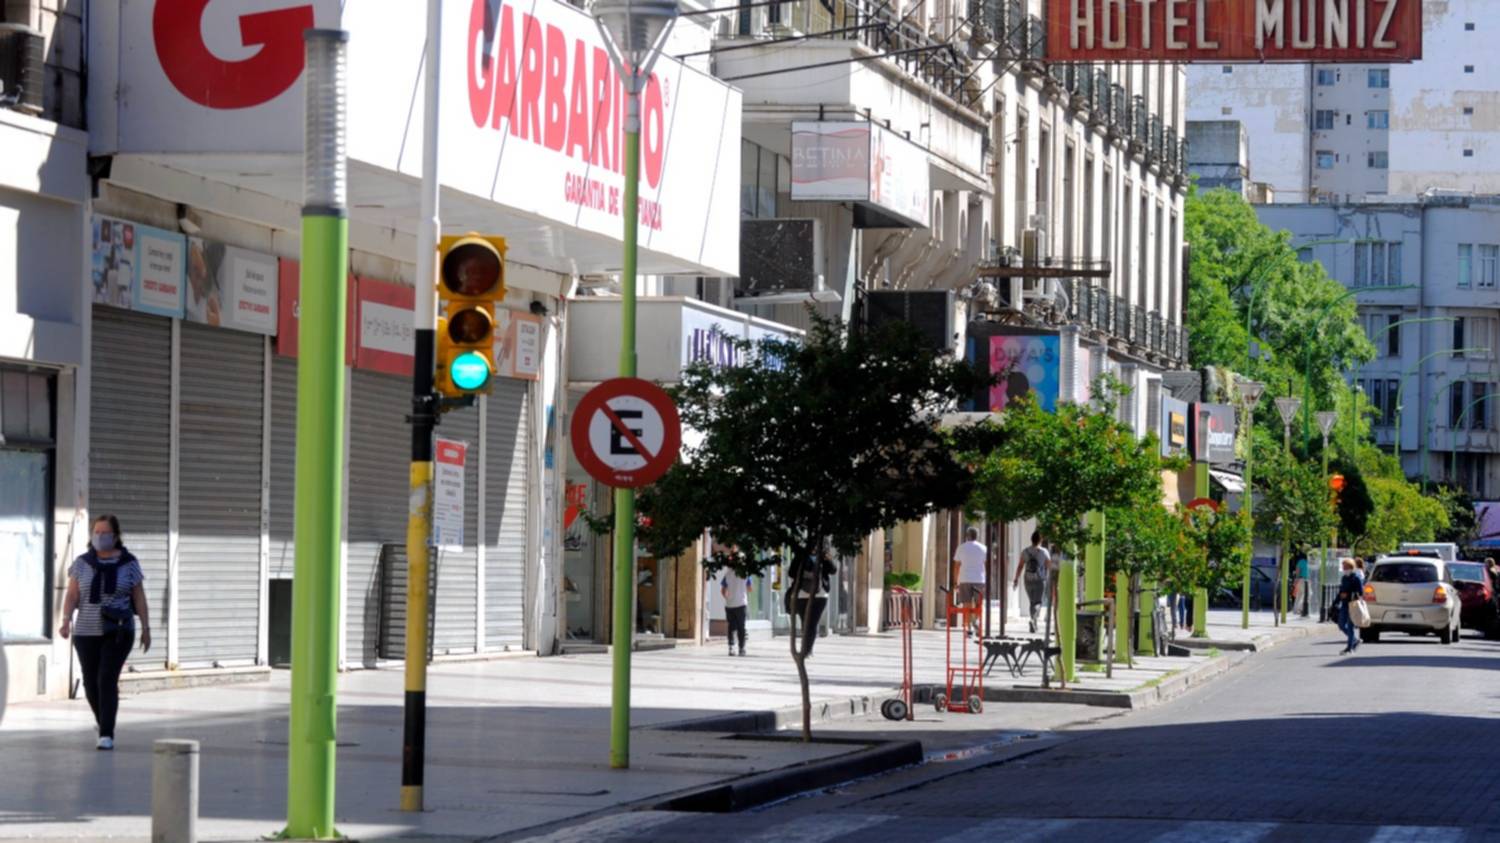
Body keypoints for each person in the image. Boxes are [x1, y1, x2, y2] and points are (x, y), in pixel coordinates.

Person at [59, 515, 151, 750]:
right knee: (91, 683)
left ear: (116, 536)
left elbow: (138, 596)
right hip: (86, 631)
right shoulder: (82, 563)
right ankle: (103, 724)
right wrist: (66, 620)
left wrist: (146, 627)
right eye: (96, 532)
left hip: (118, 629)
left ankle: (107, 734)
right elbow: (72, 595)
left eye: (105, 532)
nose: (100, 536)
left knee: (106, 679)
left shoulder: (129, 563)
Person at [785, 550, 835, 658]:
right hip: (802, 595)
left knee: (812, 623)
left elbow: (833, 570)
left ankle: (808, 649)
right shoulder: (801, 555)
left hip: (820, 595)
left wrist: (828, 560)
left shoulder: (823, 556)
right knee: (805, 622)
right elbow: (791, 573)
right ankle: (806, 648)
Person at [952, 527, 987, 638]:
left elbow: (957, 566)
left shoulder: (961, 547)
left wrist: (955, 581)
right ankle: (976, 621)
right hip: (979, 579)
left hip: (965, 579)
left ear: (967, 535)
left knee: (966, 603)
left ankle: (967, 628)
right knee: (978, 603)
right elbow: (986, 565)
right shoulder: (983, 548)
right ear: (977, 536)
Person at [1012, 531, 1050, 634]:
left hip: (1027, 579)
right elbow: (1049, 566)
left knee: (1032, 602)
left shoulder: (1025, 551)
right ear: (1040, 540)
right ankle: (1033, 620)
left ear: (1031, 539)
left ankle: (1034, 623)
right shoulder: (1044, 551)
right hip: (1040, 580)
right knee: (1038, 602)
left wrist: (1016, 579)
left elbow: (1020, 566)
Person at [721, 569, 752, 657]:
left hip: (730, 604)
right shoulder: (746, 573)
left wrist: (728, 598)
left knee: (731, 626)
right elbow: (750, 589)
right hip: (741, 604)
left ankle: (731, 647)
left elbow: (723, 590)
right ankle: (741, 648)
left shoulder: (727, 574)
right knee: (741, 627)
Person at [1335, 558, 1362, 655]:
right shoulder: (1344, 578)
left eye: (1345, 567)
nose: (1344, 569)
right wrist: (1336, 601)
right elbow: (1341, 591)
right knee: (1341, 625)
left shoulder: (1356, 578)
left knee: (1350, 626)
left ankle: (1349, 647)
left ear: (1351, 567)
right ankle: (1355, 640)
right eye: (1343, 567)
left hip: (1353, 605)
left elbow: (1360, 592)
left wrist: (1349, 594)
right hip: (1344, 604)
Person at [1293, 553, 1311, 617]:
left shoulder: (1300, 562)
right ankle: (1300, 608)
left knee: (1299, 595)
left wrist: (1296, 579)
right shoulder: (1307, 562)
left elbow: (1297, 572)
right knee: (1307, 594)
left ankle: (1296, 609)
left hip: (1301, 579)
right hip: (1305, 580)